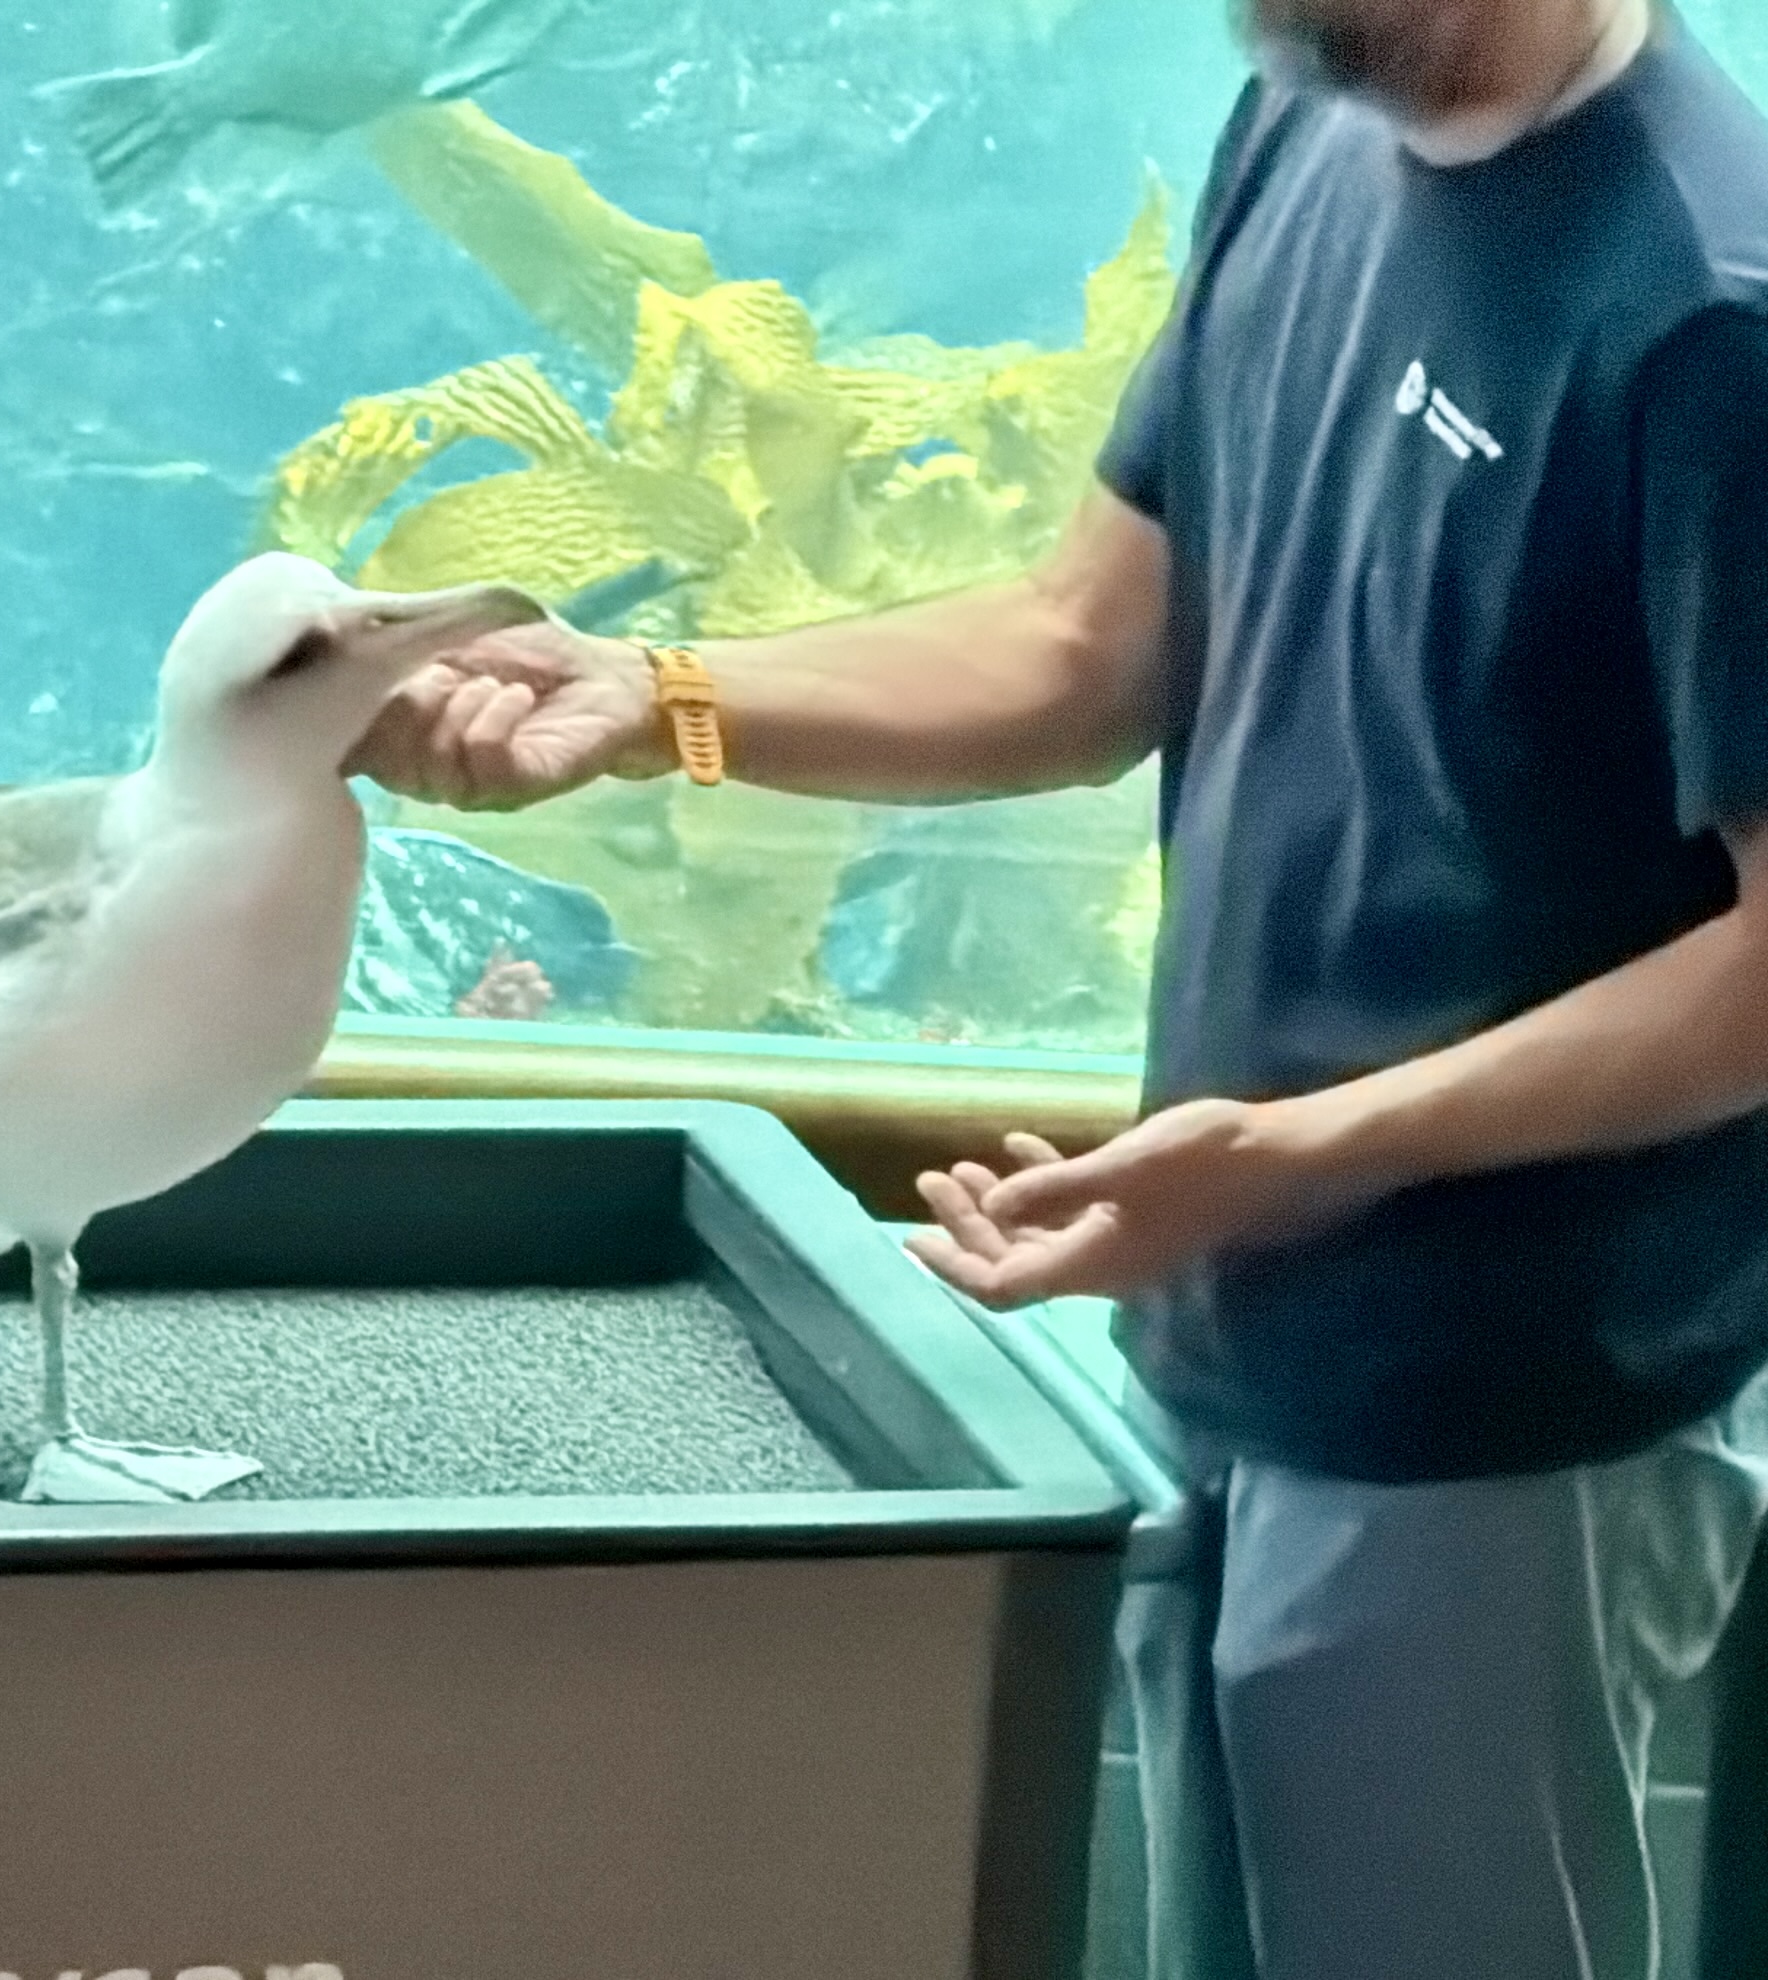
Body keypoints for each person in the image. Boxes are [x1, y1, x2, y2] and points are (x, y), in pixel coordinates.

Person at [348, 0, 1768, 1972]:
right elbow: (1087, 650)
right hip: (1226, 1332)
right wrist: (660, 699)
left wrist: (1298, 1158)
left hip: (1503, 1410)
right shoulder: (1305, 133)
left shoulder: (1709, 316)